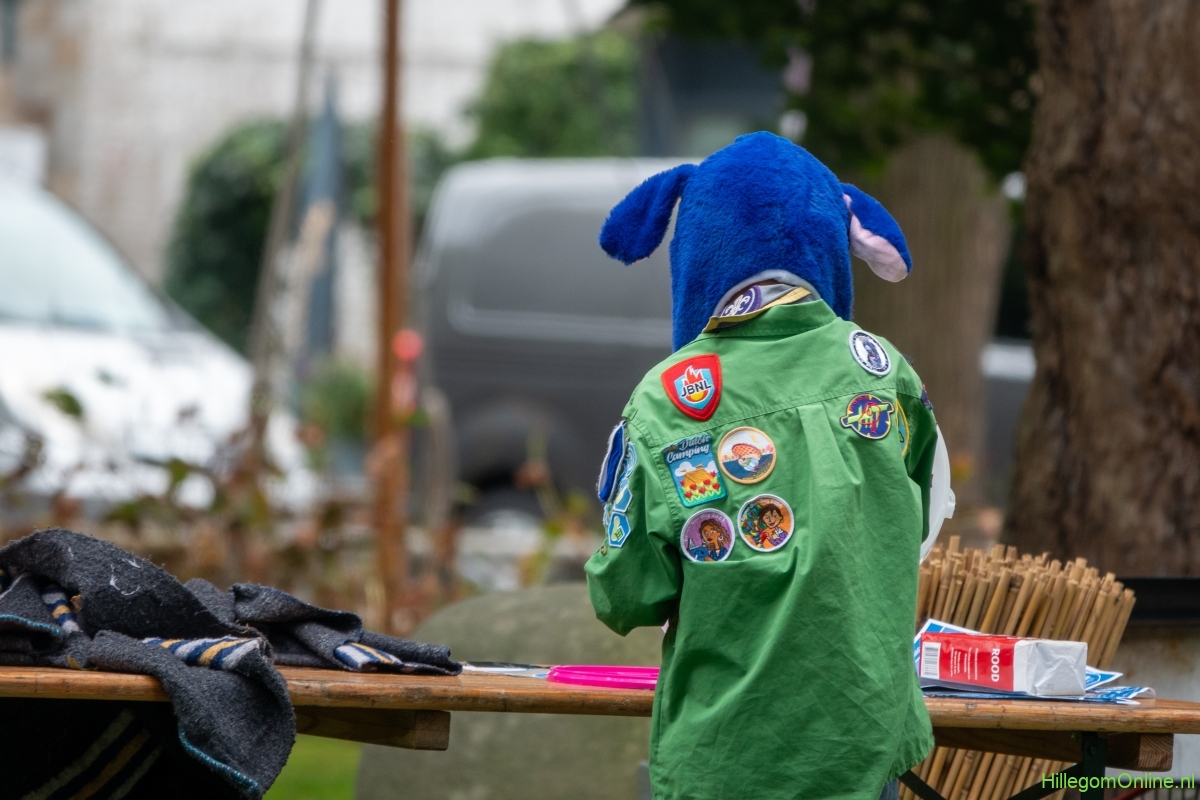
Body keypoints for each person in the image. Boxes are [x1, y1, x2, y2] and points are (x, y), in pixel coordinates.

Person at [586, 132, 937, 800]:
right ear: (834, 242)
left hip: (726, 758)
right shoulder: (886, 372)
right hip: (867, 748)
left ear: (695, 255)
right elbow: (912, 519)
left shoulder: (665, 403)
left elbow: (626, 596)